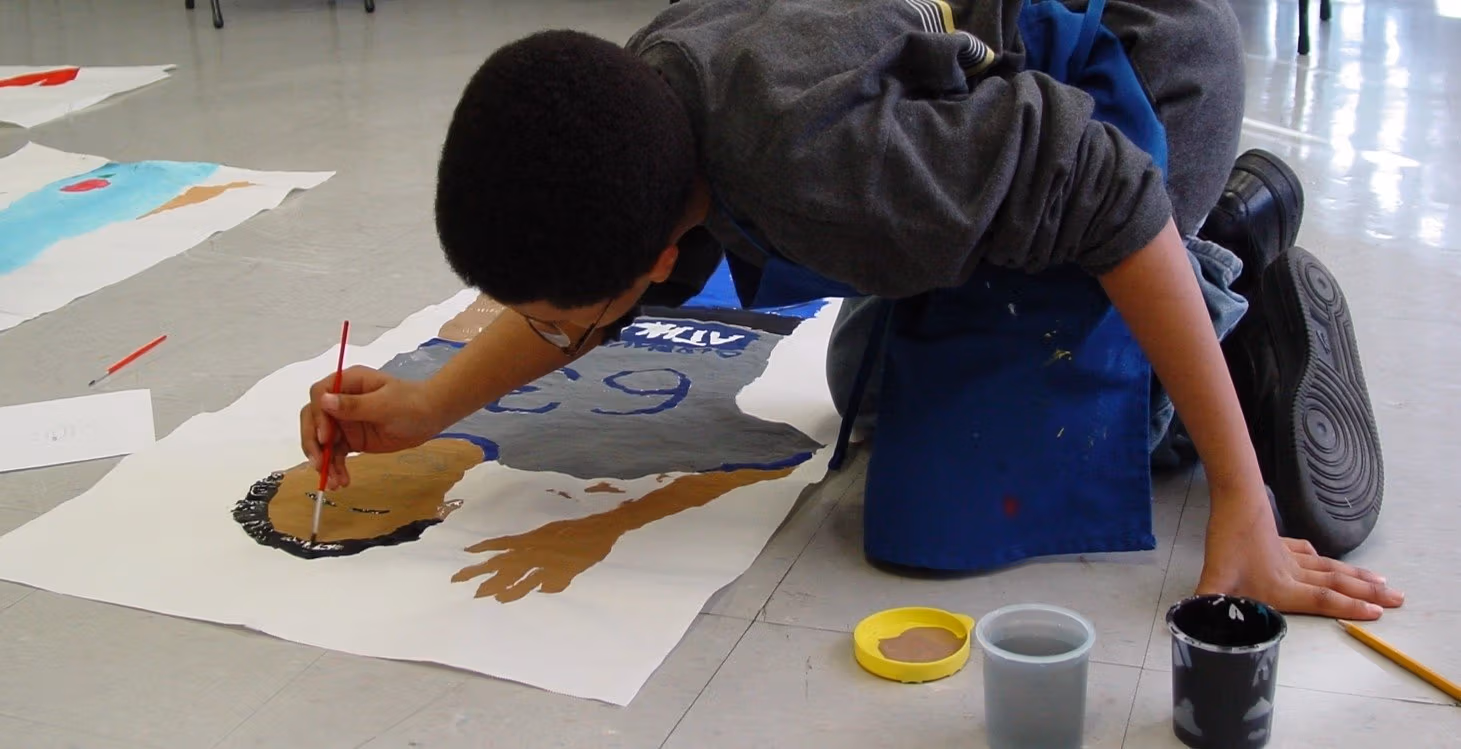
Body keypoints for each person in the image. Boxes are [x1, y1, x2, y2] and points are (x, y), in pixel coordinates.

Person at [299, 0, 1405, 620]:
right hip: (988, 121)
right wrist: (430, 402)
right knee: (860, 385)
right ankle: (1166, 272)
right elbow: (576, 300)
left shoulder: (831, 171)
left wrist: (1244, 506)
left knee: (945, 512)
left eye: (564, 312)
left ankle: (1237, 266)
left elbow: (1110, 189)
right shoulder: (642, 107)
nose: (550, 327)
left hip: (1144, 77)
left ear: (651, 254)